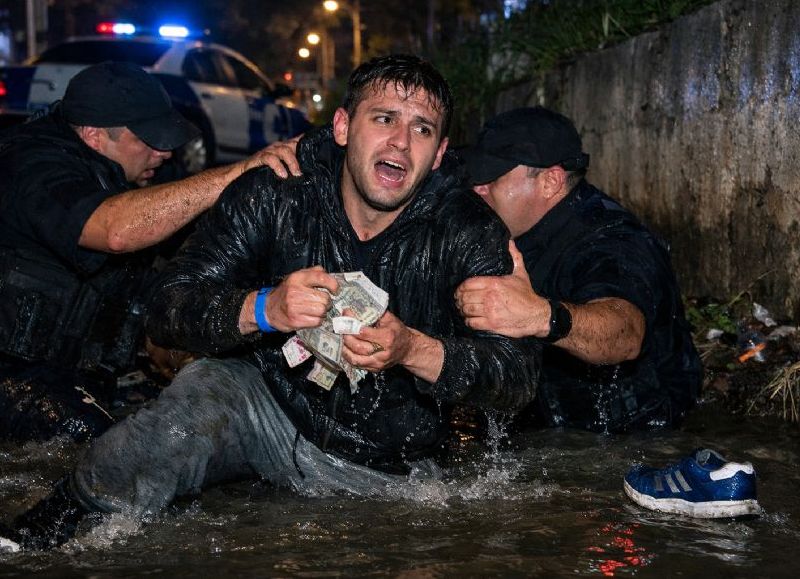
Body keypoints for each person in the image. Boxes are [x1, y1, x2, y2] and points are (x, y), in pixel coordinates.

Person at [0, 54, 538, 551]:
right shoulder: (275, 193)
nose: (400, 143)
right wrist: (263, 308)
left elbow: (517, 378)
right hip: (266, 407)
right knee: (190, 402)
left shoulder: (468, 231)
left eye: (422, 129)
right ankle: (36, 538)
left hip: (392, 465)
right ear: (343, 127)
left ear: (439, 154)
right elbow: (168, 306)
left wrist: (414, 350)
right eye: (384, 119)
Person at [0, 61, 303, 443]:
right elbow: (115, 231)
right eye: (150, 139)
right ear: (94, 134)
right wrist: (236, 173)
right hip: (13, 371)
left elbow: (198, 254)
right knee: (108, 451)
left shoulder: (139, 170)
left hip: (91, 372)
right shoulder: (29, 164)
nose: (164, 152)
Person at [455, 106, 701, 433]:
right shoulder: (506, 228)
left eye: (491, 178)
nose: (477, 188)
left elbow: (625, 333)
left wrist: (540, 316)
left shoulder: (612, 240)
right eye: (475, 176)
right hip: (549, 426)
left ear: (550, 181)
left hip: (637, 437)